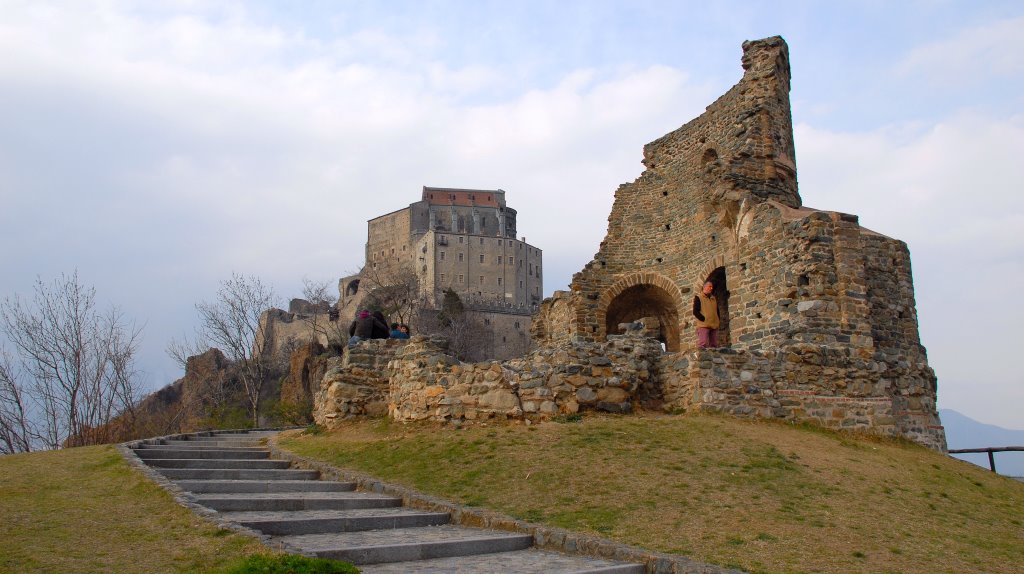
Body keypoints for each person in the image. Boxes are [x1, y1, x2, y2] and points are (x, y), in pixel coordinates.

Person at [693, 281, 720, 348]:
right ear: (704, 287)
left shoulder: (713, 299)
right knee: (703, 344)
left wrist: (718, 319)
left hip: (714, 324)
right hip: (703, 324)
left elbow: (717, 311)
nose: (711, 288)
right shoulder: (698, 297)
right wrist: (703, 318)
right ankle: (702, 358)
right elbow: (695, 311)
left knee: (714, 345)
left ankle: (714, 357)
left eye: (712, 287)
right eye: (709, 286)